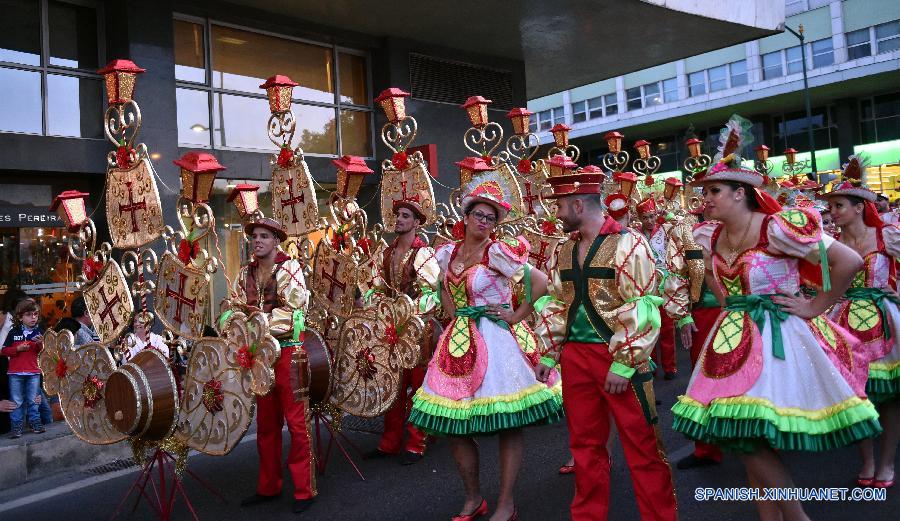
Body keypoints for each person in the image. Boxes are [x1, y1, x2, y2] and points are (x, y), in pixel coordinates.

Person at [671, 117, 881, 520]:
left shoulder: (779, 227)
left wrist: (815, 305)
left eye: (714, 190)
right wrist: (734, 306)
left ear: (740, 193)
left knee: (750, 437)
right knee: (746, 433)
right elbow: (717, 281)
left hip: (777, 340)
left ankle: (797, 516)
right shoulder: (709, 235)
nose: (706, 198)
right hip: (732, 337)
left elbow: (848, 261)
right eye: (705, 191)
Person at [408, 177, 563, 521]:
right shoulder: (447, 252)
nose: (484, 221)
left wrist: (516, 314)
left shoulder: (498, 252)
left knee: (508, 423)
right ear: (465, 216)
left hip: (499, 340)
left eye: (491, 218)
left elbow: (539, 283)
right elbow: (441, 286)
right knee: (453, 422)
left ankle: (506, 503)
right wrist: (453, 315)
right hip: (458, 342)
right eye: (479, 214)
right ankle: (473, 498)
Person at [539, 164, 676, 521]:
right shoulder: (562, 249)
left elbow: (644, 304)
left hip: (619, 359)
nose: (556, 212)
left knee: (643, 446)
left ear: (578, 205)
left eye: (560, 205)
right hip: (575, 359)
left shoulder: (629, 243)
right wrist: (552, 354)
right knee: (585, 446)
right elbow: (557, 301)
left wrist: (624, 361)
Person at [822, 155, 900, 489]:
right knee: (855, 396)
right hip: (844, 324)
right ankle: (867, 461)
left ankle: (886, 463)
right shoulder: (832, 245)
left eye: (839, 205)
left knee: (891, 397)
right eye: (832, 207)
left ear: (858, 207)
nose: (833, 212)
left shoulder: (888, 237)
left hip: (885, 323)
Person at [230, 216, 315, 515]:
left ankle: (305, 490)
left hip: (290, 355)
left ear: (276, 240)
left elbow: (295, 312)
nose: (258, 240)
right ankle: (268, 486)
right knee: (266, 424)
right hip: (260, 358)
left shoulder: (290, 268)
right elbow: (233, 308)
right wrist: (232, 323)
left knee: (296, 423)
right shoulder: (245, 273)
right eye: (255, 236)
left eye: (265, 236)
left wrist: (257, 323)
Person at [363, 195, 440, 465]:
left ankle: (417, 442)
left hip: (418, 331)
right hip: (390, 331)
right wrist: (379, 306)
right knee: (392, 386)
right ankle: (389, 442)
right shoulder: (385, 253)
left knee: (418, 386)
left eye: (406, 216)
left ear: (417, 223)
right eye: (398, 215)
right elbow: (374, 287)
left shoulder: (424, 254)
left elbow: (434, 293)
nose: (399, 220)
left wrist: (408, 311)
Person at [636, 196, 679, 380]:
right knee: (649, 328)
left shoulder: (664, 229)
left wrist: (666, 214)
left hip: (665, 285)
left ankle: (670, 368)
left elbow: (679, 224)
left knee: (667, 328)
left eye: (652, 216)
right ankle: (651, 366)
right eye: (645, 217)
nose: (649, 221)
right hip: (646, 286)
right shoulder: (636, 234)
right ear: (639, 218)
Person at [2, 298, 45, 438]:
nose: (33, 318)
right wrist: (17, 349)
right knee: (17, 401)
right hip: (15, 372)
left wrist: (41, 345)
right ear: (20, 317)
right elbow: (3, 351)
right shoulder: (13, 332)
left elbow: (44, 354)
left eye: (35, 314)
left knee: (33, 399)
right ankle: (16, 427)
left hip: (33, 372)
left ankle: (35, 423)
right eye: (28, 314)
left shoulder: (39, 332)